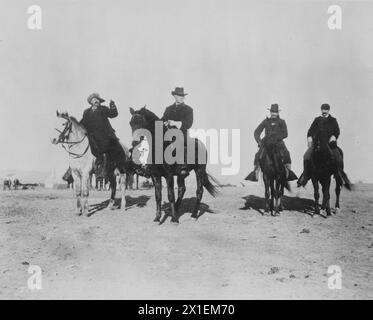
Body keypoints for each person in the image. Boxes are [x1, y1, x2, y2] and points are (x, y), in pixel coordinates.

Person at [246, 104, 297, 181]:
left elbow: (285, 134)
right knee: (258, 154)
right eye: (272, 112)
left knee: (286, 152)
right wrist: (259, 141)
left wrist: (277, 137)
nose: (273, 114)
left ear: (278, 113)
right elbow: (256, 132)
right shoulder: (265, 121)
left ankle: (288, 171)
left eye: (275, 112)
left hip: (278, 142)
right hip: (266, 142)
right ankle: (255, 172)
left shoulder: (282, 122)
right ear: (270, 112)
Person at [80, 93, 126, 174]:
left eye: (97, 99)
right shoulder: (86, 112)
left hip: (106, 136)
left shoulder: (103, 109)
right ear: (91, 102)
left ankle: (120, 164)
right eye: (94, 100)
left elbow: (113, 114)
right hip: (92, 137)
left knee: (117, 148)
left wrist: (112, 106)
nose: (96, 101)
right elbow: (82, 123)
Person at [297, 103, 343, 187]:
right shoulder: (317, 120)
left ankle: (339, 176)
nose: (324, 111)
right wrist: (310, 138)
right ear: (321, 110)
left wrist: (334, 136)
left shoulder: (333, 120)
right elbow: (310, 131)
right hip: (317, 144)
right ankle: (305, 175)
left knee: (338, 157)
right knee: (306, 156)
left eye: (326, 109)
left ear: (328, 110)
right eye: (323, 109)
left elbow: (337, 131)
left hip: (329, 144)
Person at [161, 87, 194, 177]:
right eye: (179, 95)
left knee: (181, 144)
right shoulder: (168, 109)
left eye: (182, 96)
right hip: (169, 134)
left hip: (181, 134)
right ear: (175, 96)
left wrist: (174, 123)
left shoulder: (188, 109)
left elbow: (188, 123)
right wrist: (164, 122)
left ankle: (183, 166)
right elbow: (162, 119)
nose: (181, 97)